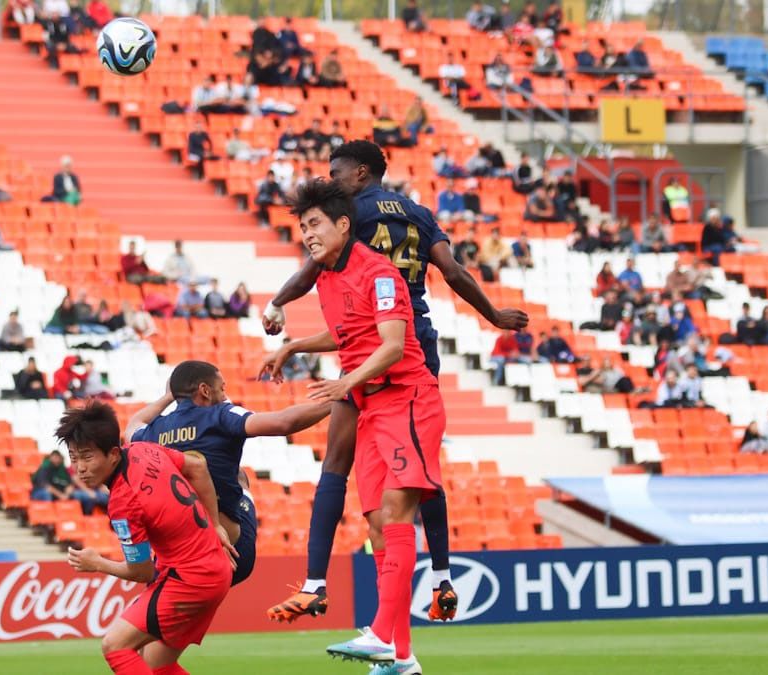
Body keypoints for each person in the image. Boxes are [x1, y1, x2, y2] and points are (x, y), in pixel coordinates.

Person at [261, 143, 527, 628]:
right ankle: (442, 577)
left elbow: (311, 270)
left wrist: (277, 305)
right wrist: (492, 315)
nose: (331, 180)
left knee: (337, 463)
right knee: (421, 470)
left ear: (361, 173)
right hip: (418, 341)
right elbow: (451, 272)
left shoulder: (349, 219)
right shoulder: (420, 214)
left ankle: (317, 584)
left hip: (376, 347)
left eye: (336, 172)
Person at [262, 181, 442, 673]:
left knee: (398, 509)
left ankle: (383, 635)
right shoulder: (326, 278)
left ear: (344, 224)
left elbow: (391, 344)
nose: (308, 235)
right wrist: (293, 347)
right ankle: (401, 657)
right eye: (302, 228)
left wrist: (346, 383)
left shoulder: (379, 273)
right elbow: (346, 334)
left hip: (406, 398)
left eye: (315, 224)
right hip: (371, 406)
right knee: (381, 528)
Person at [59, 402, 235, 675]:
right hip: (214, 568)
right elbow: (198, 467)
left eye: (87, 456)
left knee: (115, 646)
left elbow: (142, 572)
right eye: (74, 457)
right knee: (156, 663)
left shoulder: (123, 502)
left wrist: (98, 563)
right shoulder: (143, 449)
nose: (79, 467)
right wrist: (216, 525)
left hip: (189, 579)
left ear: (113, 454)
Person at [126, 361, 330, 586]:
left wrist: (168, 397)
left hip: (178, 556)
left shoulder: (156, 429)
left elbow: (132, 425)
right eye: (222, 388)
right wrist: (335, 402)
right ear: (205, 390)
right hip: (230, 551)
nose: (225, 395)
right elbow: (284, 423)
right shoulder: (220, 414)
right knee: (241, 477)